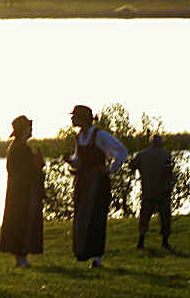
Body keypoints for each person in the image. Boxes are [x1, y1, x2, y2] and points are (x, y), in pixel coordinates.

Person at [65, 105, 128, 268]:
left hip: (98, 182)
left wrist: (110, 169)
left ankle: (97, 258)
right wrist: (71, 161)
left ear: (83, 118)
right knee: (82, 216)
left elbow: (122, 152)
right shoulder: (79, 136)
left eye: (75, 116)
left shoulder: (99, 135)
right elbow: (79, 160)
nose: (72, 119)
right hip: (83, 181)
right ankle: (83, 253)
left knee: (96, 216)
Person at [0, 115, 45, 268]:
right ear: (24, 130)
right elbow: (28, 170)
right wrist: (38, 164)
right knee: (23, 222)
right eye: (29, 127)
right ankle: (21, 257)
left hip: (16, 189)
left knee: (17, 221)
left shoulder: (14, 146)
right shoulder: (21, 148)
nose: (31, 130)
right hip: (23, 191)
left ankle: (20, 257)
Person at [128, 135, 175, 250]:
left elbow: (131, 166)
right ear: (161, 143)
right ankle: (165, 242)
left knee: (144, 217)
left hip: (148, 191)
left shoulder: (141, 155)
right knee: (165, 218)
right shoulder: (166, 154)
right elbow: (170, 170)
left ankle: (141, 241)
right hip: (163, 192)